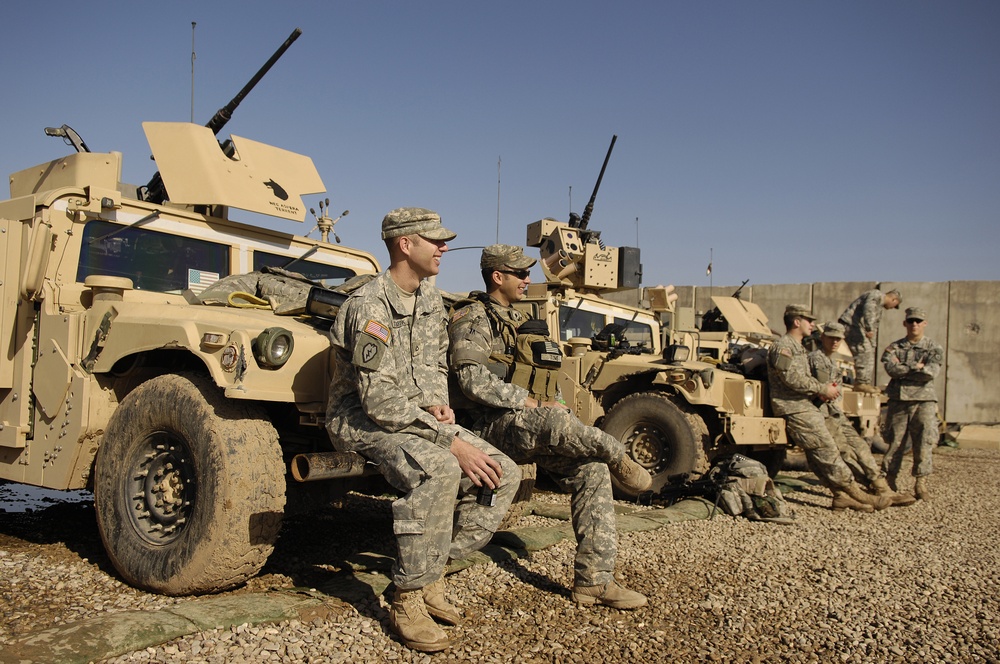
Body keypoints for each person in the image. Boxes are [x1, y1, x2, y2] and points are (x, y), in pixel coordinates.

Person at [326, 208, 521, 652]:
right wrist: (447, 440)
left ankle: (433, 572)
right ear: (404, 245)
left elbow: (434, 361)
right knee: (440, 469)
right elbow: (377, 402)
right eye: (434, 240)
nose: (444, 248)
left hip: (415, 414)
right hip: (360, 418)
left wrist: (439, 405)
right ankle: (407, 596)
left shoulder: (430, 297)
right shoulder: (368, 307)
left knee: (502, 472)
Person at [447, 244, 651, 610]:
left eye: (528, 273)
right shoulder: (474, 317)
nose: (529, 279)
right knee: (555, 420)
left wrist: (551, 400)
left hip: (524, 425)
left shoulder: (523, 321)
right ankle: (617, 452)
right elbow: (470, 380)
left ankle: (595, 581)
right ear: (498, 276)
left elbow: (544, 378)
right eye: (520, 273)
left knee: (591, 471)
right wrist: (528, 401)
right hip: (485, 425)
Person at [767, 304, 892, 512]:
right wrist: (822, 388)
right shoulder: (783, 347)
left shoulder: (798, 348)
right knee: (827, 450)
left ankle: (841, 496)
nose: (813, 325)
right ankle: (859, 494)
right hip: (794, 407)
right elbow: (791, 378)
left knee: (818, 455)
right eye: (809, 320)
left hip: (804, 405)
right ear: (797, 322)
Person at [807, 322, 915, 507]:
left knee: (860, 447)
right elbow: (822, 389)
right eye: (831, 337)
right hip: (821, 413)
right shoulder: (816, 359)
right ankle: (866, 489)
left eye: (838, 339)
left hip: (833, 412)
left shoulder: (831, 361)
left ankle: (880, 486)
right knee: (844, 452)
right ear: (822, 338)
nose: (834, 342)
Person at [880, 306, 944, 500]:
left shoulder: (934, 347)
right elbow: (891, 369)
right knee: (895, 442)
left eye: (918, 321)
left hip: (924, 400)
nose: (914, 324)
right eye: (910, 321)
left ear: (924, 324)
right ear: (904, 323)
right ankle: (890, 480)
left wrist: (904, 368)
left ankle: (920, 484)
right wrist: (915, 367)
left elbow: (930, 373)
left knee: (923, 441)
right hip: (899, 400)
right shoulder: (895, 347)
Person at [837, 287, 902, 393]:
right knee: (863, 350)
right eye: (894, 305)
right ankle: (861, 383)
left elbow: (875, 326)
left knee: (869, 352)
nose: (891, 308)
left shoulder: (879, 307)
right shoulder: (876, 295)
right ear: (894, 299)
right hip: (851, 324)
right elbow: (868, 309)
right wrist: (869, 328)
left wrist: (873, 344)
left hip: (859, 327)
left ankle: (865, 382)